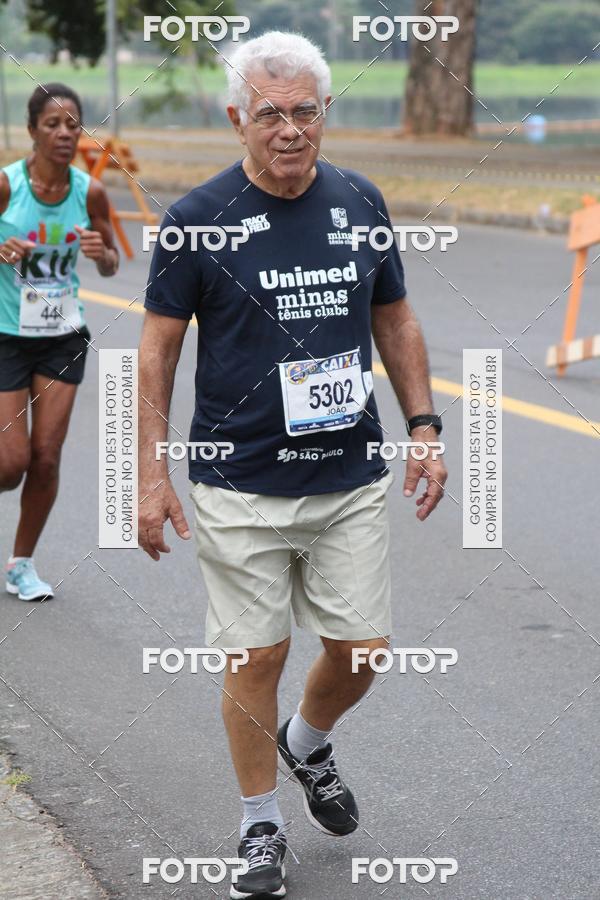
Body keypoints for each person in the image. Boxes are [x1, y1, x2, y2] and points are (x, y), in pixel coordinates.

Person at [138, 31, 447, 899]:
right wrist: (150, 474)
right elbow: (155, 356)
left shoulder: (359, 199)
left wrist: (423, 426)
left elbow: (397, 320)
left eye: (304, 112)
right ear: (237, 117)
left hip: (348, 475)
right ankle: (260, 822)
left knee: (362, 650)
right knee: (258, 656)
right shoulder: (198, 220)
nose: (289, 130)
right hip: (238, 481)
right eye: (269, 114)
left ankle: (307, 743)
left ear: (325, 113)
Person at [0, 83, 118, 601]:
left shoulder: (88, 191)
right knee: (10, 466)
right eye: (54, 124)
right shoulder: (6, 187)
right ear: (32, 131)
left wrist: (101, 253)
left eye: (74, 124)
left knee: (45, 458)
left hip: (62, 336)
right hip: (6, 334)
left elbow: (112, 262)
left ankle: (20, 564)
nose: (66, 133)